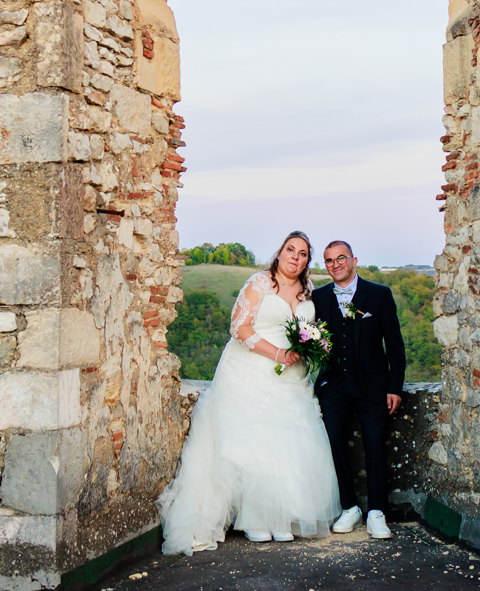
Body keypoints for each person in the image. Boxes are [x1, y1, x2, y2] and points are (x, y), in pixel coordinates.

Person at [158, 231, 341, 554]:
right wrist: (278, 355)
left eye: (302, 254)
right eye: (290, 250)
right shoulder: (259, 283)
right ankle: (257, 519)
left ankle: (281, 516)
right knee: (256, 441)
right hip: (252, 370)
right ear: (280, 252)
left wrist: (308, 350)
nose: (295, 258)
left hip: (293, 377)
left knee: (287, 444)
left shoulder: (307, 291)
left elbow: (309, 332)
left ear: (306, 262)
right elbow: (239, 327)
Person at [311, 240, 406, 541]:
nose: (335, 264)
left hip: (373, 385)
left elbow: (394, 346)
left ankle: (377, 511)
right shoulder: (319, 297)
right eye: (329, 261)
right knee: (331, 439)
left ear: (353, 260)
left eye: (341, 258)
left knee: (375, 440)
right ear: (325, 266)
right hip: (334, 385)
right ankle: (349, 507)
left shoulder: (378, 295)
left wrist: (395, 386)